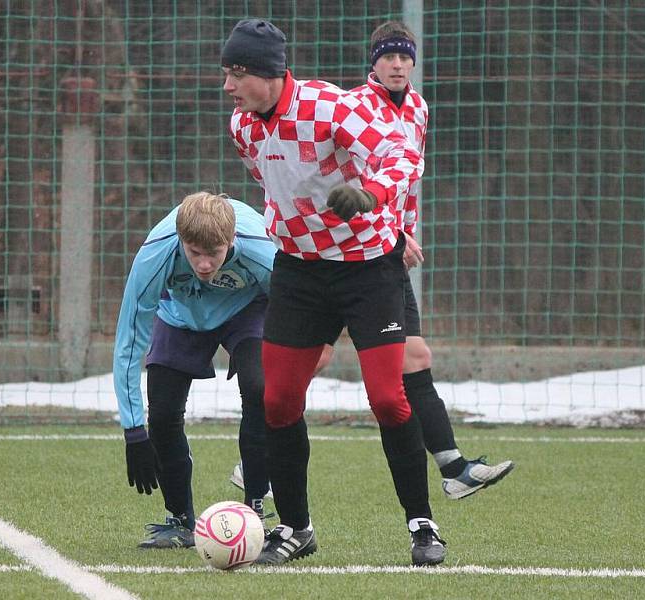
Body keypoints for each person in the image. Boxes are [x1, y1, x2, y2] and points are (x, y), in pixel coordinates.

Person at [229, 20, 514, 504]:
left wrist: (395, 225)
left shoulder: (417, 110)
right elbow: (275, 182)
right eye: (389, 56)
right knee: (295, 381)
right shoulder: (348, 105)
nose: (399, 64)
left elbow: (405, 168)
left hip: (376, 253)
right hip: (312, 265)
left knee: (407, 364)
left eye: (406, 56)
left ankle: (449, 469)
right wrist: (324, 225)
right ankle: (259, 462)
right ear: (373, 63)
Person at [222, 18, 446, 566]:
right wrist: (302, 228)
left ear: (270, 73)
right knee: (276, 399)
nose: (228, 85)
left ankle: (423, 526)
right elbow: (272, 184)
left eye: (237, 72)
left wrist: (367, 194)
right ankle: (296, 529)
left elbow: (401, 158)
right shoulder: (243, 126)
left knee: (388, 397)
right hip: (299, 272)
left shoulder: (329, 107)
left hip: (368, 269)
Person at [113, 191, 276, 549]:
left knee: (260, 389)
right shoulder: (156, 254)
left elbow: (294, 307)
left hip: (247, 310)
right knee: (163, 414)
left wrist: (314, 348)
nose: (203, 265)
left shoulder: (262, 250)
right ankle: (181, 521)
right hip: (180, 316)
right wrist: (133, 431)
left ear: (231, 240)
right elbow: (128, 343)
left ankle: (256, 508)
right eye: (194, 253)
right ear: (180, 240)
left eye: (213, 253)